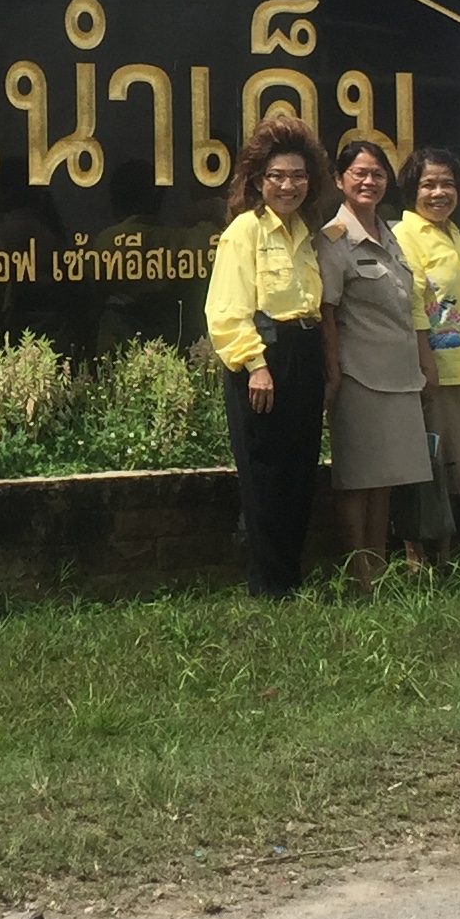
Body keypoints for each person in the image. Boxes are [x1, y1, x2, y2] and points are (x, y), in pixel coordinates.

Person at [204, 117, 335, 598]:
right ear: (258, 181)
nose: (288, 185)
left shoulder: (306, 231)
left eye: (298, 176)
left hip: (303, 353)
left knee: (300, 469)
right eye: (277, 176)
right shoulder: (245, 231)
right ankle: (268, 585)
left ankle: (290, 578)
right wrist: (255, 365)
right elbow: (227, 309)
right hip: (263, 360)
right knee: (265, 473)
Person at [320, 134, 435, 583]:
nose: (369, 181)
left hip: (400, 374)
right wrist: (333, 373)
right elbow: (327, 313)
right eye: (359, 174)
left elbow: (408, 305)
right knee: (358, 477)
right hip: (359, 374)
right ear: (339, 180)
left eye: (377, 174)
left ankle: (379, 563)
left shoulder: (388, 234)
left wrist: (425, 362)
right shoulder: (333, 240)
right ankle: (359, 569)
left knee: (385, 476)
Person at [393, 143, 460, 553]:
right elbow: (414, 303)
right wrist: (425, 366)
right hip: (434, 373)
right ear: (411, 190)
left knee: (454, 471)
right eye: (428, 185)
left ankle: (448, 559)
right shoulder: (404, 235)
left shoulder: (454, 233)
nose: (439, 193)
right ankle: (419, 561)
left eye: (447, 184)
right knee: (428, 468)